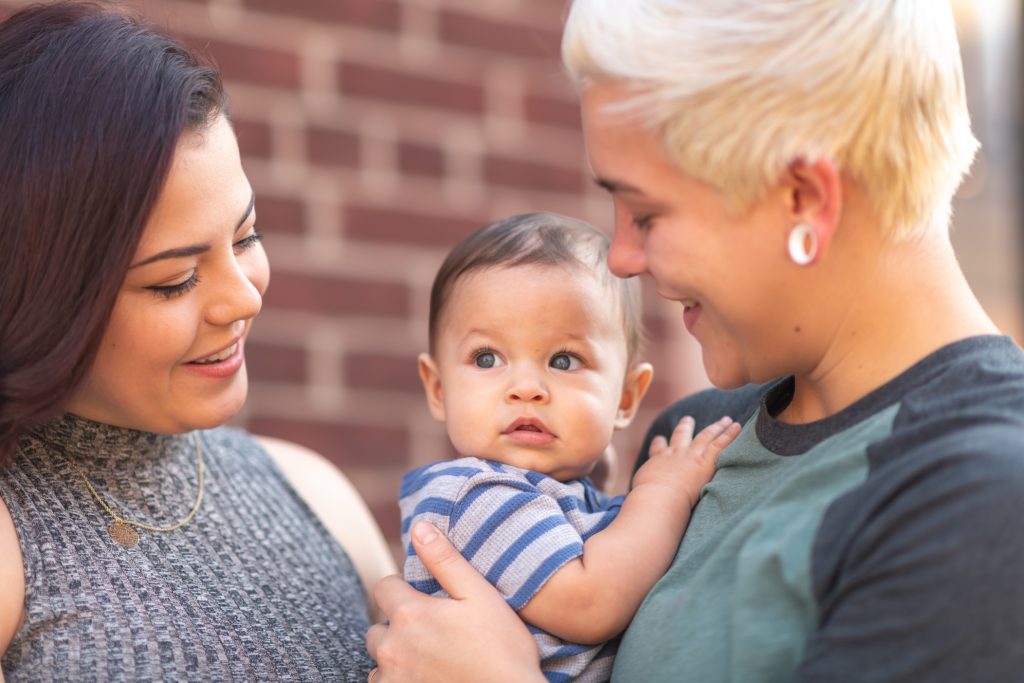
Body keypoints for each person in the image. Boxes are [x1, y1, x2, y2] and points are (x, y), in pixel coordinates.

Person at [365, 1, 1024, 681]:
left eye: (646, 212)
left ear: (803, 197)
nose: (621, 257)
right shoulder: (697, 434)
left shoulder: (982, 499)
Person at [0, 3, 394, 681]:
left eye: (246, 236)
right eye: (175, 281)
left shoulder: (314, 490)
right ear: (48, 301)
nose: (244, 295)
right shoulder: (15, 535)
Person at [401, 212, 740, 682]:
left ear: (625, 398)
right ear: (438, 390)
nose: (525, 387)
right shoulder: (473, 496)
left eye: (563, 360)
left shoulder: (541, 494)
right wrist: (662, 491)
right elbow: (590, 602)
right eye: (487, 357)